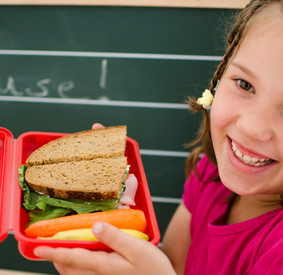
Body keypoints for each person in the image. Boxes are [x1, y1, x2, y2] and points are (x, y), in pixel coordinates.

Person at [34, 0, 283, 274]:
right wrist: (111, 219)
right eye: (244, 85)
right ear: (219, 79)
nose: (251, 128)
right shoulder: (211, 172)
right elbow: (174, 266)